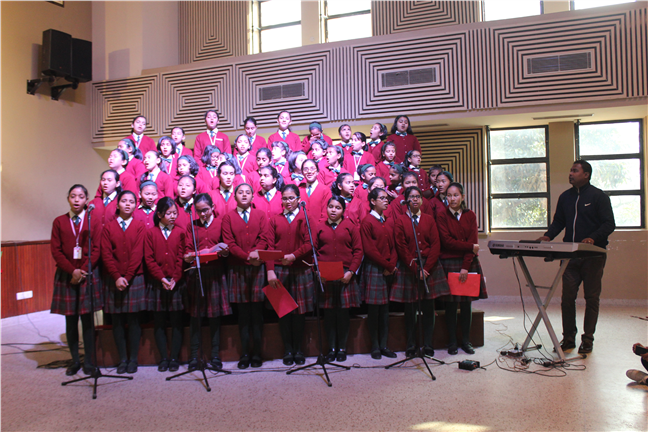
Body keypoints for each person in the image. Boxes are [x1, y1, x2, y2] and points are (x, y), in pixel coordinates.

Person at [537, 160, 615, 354]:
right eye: (570, 170)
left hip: (593, 256)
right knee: (567, 298)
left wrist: (593, 238)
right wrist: (548, 236)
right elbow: (559, 222)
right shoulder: (565, 197)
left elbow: (609, 224)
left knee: (591, 298)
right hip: (570, 257)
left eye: (575, 171)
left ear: (586, 174)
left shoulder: (599, 196)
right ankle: (569, 338)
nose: (570, 174)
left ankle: (587, 339)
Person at [50, 185, 103, 376]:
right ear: (68, 199)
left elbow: (97, 249)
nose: (76, 200)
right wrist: (72, 271)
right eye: (73, 196)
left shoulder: (93, 220)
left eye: (81, 196)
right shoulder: (59, 221)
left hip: (87, 274)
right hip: (67, 275)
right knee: (71, 320)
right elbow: (56, 250)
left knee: (87, 320)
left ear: (86, 199)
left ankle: (89, 361)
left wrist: (83, 270)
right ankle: (74, 361)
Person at [392, 186, 450, 357]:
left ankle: (428, 344)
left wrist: (426, 268)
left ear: (422, 200)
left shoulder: (429, 220)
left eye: (418, 196)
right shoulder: (401, 221)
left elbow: (435, 244)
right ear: (406, 200)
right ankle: (411, 344)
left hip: (429, 267)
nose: (415, 199)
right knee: (410, 309)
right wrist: (416, 268)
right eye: (412, 197)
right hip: (410, 267)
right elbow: (402, 248)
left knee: (428, 308)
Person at [264, 185, 314, 366]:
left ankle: (298, 349)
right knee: (284, 312)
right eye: (284, 198)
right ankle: (288, 349)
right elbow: (269, 247)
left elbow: (310, 243)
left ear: (299, 199)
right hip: (280, 270)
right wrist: (270, 270)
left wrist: (294, 256)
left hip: (300, 269)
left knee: (299, 313)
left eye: (291, 198)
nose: (288, 201)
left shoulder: (306, 218)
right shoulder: (274, 219)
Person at [436, 182, 487, 355]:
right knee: (450, 305)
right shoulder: (441, 216)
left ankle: (466, 340)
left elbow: (474, 241)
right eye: (449, 195)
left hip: (468, 263)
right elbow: (447, 242)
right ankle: (452, 341)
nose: (452, 199)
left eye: (456, 195)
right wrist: (469, 247)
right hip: (449, 263)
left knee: (466, 305)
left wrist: (466, 266)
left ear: (462, 197)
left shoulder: (470, 215)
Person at [221, 184, 268, 369]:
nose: (244, 195)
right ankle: (245, 353)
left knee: (257, 312)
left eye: (248, 192)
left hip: (257, 268)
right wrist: (246, 256)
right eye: (240, 192)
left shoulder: (261, 215)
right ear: (235, 196)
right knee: (243, 314)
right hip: (238, 268)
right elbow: (229, 242)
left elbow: (264, 238)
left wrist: (256, 253)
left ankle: (257, 353)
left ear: (252, 196)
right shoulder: (228, 217)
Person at [183, 193, 231, 371]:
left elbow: (227, 247)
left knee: (214, 316)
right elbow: (187, 253)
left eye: (205, 210)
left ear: (212, 208)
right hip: (198, 273)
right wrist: (207, 251)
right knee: (195, 316)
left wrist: (223, 251)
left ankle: (215, 355)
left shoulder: (221, 223)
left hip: (216, 273)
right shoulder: (192, 225)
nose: (202, 214)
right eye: (199, 211)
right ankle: (194, 356)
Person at [101, 190, 146, 374]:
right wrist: (116, 276)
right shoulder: (108, 227)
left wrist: (126, 277)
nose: (128, 204)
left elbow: (138, 253)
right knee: (117, 320)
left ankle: (133, 359)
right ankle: (122, 359)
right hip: (114, 278)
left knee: (134, 320)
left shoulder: (140, 226)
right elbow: (106, 254)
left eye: (131, 201)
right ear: (117, 204)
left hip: (133, 278)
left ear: (136, 205)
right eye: (124, 201)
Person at [315, 196, 363, 362]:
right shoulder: (320, 227)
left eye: (337, 207)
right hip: (325, 274)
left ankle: (342, 348)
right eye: (331, 207)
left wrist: (351, 271)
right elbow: (314, 251)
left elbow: (358, 251)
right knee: (329, 313)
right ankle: (332, 348)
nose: (333, 210)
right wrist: (318, 272)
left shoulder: (350, 226)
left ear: (343, 210)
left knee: (342, 313)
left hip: (345, 274)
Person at [144, 197, 185, 372]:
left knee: (177, 321)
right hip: (158, 283)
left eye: (175, 213)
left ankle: (174, 357)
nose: (173, 216)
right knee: (159, 321)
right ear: (160, 214)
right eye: (169, 213)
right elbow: (149, 259)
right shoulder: (151, 233)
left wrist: (175, 278)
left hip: (176, 283)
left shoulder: (180, 232)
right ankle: (163, 358)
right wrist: (162, 278)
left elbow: (181, 257)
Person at [360, 188, 398, 360]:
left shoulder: (388, 221)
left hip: (388, 268)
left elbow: (394, 245)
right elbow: (369, 250)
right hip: (375, 268)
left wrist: (392, 265)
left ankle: (384, 345)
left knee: (385, 310)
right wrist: (387, 265)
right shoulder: (367, 221)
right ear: (373, 201)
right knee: (374, 310)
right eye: (382, 198)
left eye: (386, 198)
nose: (386, 200)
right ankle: (375, 346)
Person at [299, 159, 331, 223]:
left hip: (320, 228)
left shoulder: (325, 190)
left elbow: (326, 214)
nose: (309, 171)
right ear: (302, 172)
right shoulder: (299, 190)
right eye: (305, 169)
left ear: (317, 172)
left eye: (312, 168)